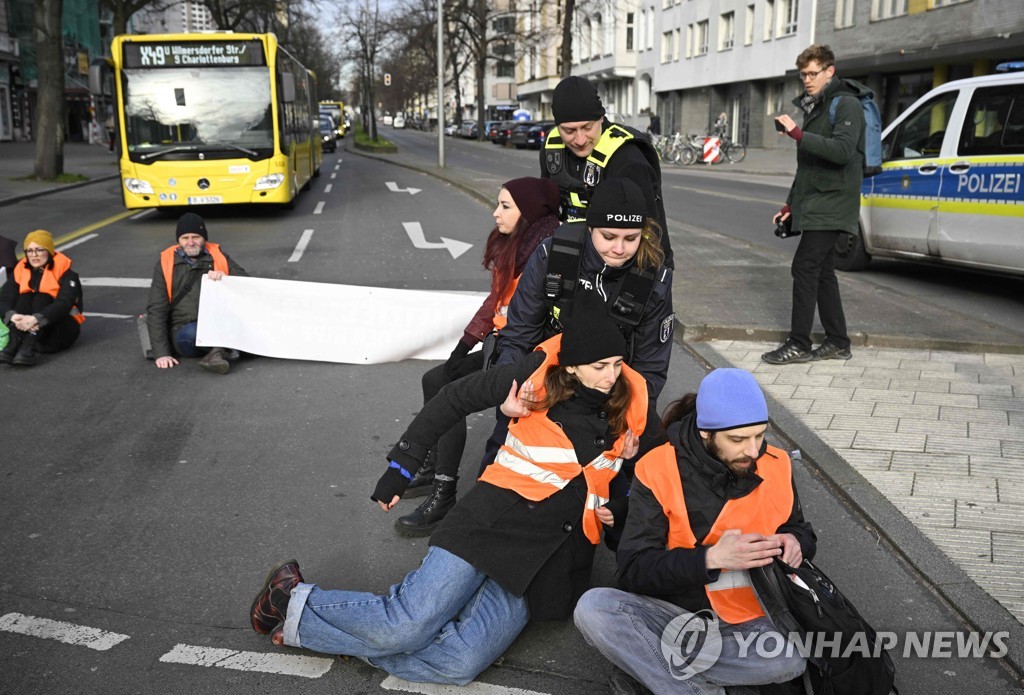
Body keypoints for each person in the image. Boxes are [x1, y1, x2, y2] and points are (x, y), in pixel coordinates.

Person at [249, 301, 664, 686]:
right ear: (572, 367)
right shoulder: (528, 380)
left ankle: (342, 637)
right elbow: (451, 397)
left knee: (459, 664)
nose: (612, 376)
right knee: (406, 625)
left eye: (617, 363)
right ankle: (291, 600)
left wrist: (624, 505)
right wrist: (401, 467)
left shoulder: (633, 403)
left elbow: (663, 476)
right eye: (600, 366)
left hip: (545, 558)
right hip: (489, 521)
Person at [574, 368, 816, 695]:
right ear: (706, 432)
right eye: (738, 440)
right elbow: (634, 571)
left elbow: (800, 529)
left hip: (753, 618)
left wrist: (795, 541)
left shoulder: (777, 463)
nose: (753, 450)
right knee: (593, 608)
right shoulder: (657, 467)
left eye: (759, 435)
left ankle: (649, 672)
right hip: (676, 614)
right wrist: (710, 558)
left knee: (792, 658)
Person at [472, 177, 674, 491]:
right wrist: (507, 392)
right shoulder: (554, 255)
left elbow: (651, 367)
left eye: (631, 238)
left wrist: (629, 417)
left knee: (640, 478)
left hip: (611, 383)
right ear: (590, 228)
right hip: (549, 374)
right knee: (502, 455)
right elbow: (518, 335)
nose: (619, 249)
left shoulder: (653, 277)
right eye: (608, 236)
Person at [396, 176, 561, 536]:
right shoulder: (514, 244)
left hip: (526, 355)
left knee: (447, 389)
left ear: (529, 212)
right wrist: (465, 344)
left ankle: (443, 495)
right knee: (436, 378)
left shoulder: (547, 253)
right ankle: (436, 471)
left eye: (505, 206)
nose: (495, 213)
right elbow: (496, 301)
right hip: (500, 344)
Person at [763, 44, 868, 365]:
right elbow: (808, 165)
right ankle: (838, 341)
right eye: (803, 74)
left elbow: (842, 151)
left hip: (834, 201)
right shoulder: (817, 106)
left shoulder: (846, 104)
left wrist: (798, 134)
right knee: (822, 272)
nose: (807, 80)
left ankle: (799, 342)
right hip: (816, 199)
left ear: (829, 71)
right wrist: (790, 204)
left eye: (813, 73)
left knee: (804, 267)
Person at [541, 76, 671, 268]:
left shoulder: (627, 158)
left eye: (587, 127)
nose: (580, 139)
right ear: (557, 126)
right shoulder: (552, 149)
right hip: (573, 260)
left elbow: (647, 235)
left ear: (601, 118)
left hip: (632, 267)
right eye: (569, 131)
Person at [145, 212, 247, 374]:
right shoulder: (165, 264)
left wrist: (225, 277)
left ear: (204, 238)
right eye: (185, 238)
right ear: (178, 240)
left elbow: (246, 284)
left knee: (238, 325)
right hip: (186, 328)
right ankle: (227, 348)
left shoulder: (218, 256)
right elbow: (157, 309)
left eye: (196, 237)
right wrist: (161, 354)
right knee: (194, 332)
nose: (191, 242)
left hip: (218, 321)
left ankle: (218, 351)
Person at [0, 230, 84, 366]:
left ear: (49, 252)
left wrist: (34, 319)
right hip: (25, 330)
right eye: (30, 251)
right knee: (25, 296)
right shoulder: (20, 270)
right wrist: (14, 317)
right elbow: (4, 300)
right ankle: (14, 342)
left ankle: (28, 343)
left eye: (39, 250)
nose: (34, 255)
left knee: (42, 297)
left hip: (58, 332)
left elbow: (64, 303)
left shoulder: (69, 275)